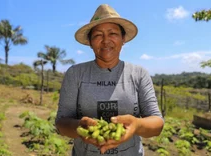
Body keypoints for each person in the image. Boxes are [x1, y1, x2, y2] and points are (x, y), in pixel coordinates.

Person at [55, 4, 164, 156]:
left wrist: (137, 125)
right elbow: (61, 123)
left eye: (112, 33)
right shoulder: (75, 74)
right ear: (90, 42)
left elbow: (157, 123)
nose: (106, 40)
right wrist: (80, 127)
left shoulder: (139, 74)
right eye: (98, 35)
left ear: (123, 39)